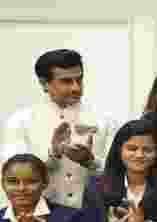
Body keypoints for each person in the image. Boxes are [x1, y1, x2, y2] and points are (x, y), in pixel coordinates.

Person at [1, 49, 113, 210]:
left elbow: (119, 174)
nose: (76, 88)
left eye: (79, 80)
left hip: (92, 219)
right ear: (44, 83)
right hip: (40, 218)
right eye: (66, 81)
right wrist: (52, 155)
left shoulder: (105, 120)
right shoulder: (20, 122)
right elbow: (13, 176)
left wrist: (90, 161)